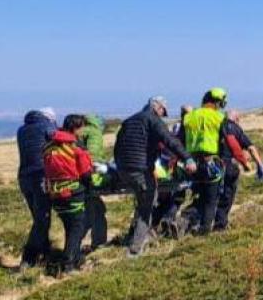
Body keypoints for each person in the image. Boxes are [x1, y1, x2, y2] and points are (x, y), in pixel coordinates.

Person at [113, 95, 193, 257]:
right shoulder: (153, 119)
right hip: (140, 170)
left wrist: (120, 166)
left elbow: (117, 145)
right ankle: (134, 250)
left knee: (142, 201)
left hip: (123, 169)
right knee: (146, 208)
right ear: (157, 107)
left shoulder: (129, 121)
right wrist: (187, 158)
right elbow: (170, 140)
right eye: (163, 112)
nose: (162, 116)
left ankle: (134, 235)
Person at [42, 114, 97, 275]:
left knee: (69, 227)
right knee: (77, 229)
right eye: (82, 128)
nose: (83, 131)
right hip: (73, 193)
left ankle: (75, 257)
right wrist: (91, 185)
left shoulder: (49, 147)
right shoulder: (75, 147)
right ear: (75, 128)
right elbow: (86, 174)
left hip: (55, 195)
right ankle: (68, 266)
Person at [183, 88, 231, 235]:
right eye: (221, 104)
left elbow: (180, 138)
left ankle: (183, 222)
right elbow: (226, 141)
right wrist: (225, 160)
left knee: (198, 196)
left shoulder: (190, 116)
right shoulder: (220, 117)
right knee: (211, 199)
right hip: (211, 162)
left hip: (191, 164)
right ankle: (204, 232)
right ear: (217, 102)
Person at [15, 108, 57, 269]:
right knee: (42, 219)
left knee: (39, 219)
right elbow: (59, 139)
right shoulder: (46, 127)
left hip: (23, 177)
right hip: (40, 176)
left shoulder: (22, 130)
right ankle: (28, 259)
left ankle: (46, 253)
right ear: (49, 119)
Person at [213, 109, 263, 232]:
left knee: (211, 197)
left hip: (214, 166)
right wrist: (260, 165)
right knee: (227, 196)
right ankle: (220, 226)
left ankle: (199, 223)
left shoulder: (217, 128)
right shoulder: (235, 129)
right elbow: (251, 148)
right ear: (236, 119)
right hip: (229, 166)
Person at [77, 114, 110, 252]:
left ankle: (76, 244)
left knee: (91, 210)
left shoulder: (79, 131)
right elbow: (93, 155)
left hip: (75, 177)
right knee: (97, 210)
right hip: (89, 176)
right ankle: (98, 244)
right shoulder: (94, 132)